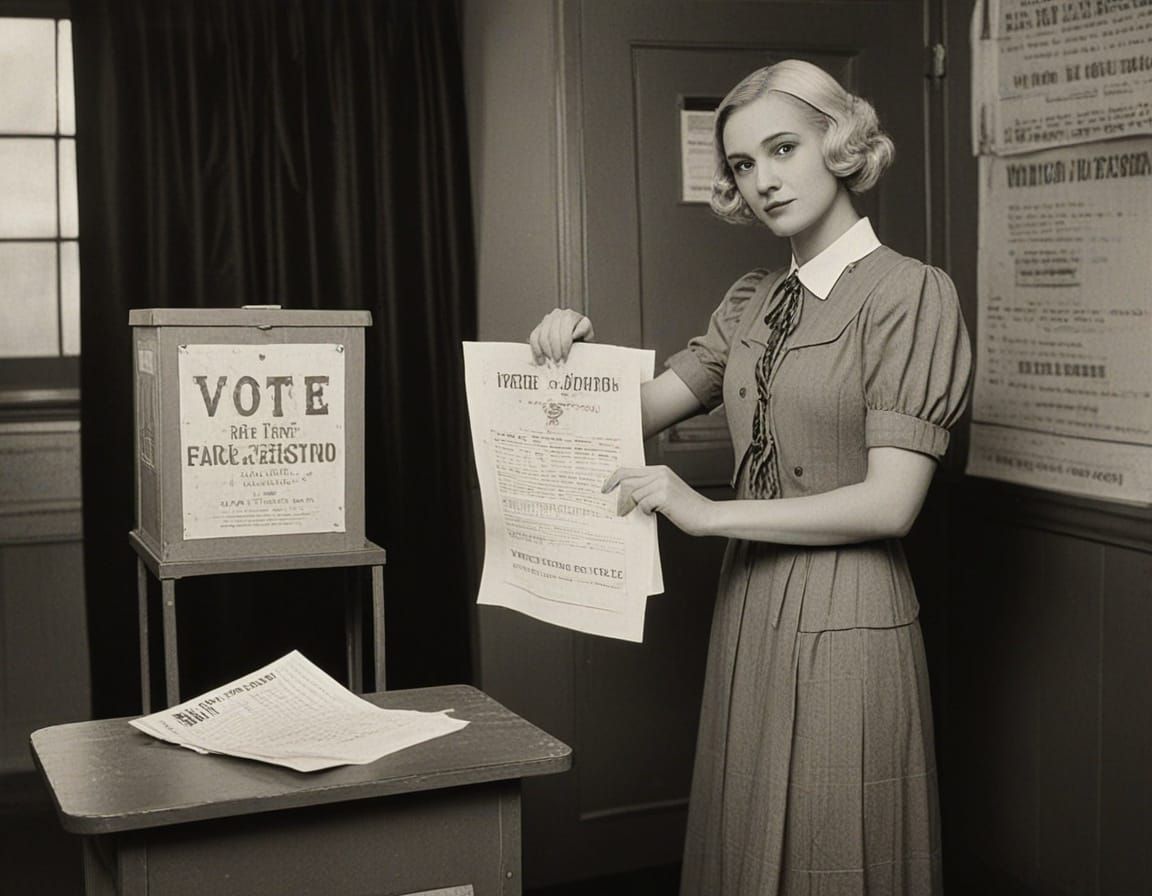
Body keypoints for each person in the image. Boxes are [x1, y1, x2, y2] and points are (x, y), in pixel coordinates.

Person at [529, 59, 971, 895]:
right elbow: (629, 412)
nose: (763, 181)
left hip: (851, 616)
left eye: (782, 149)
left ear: (837, 146)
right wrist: (565, 358)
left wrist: (706, 515)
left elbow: (892, 503)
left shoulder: (912, 294)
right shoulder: (752, 301)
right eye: (741, 164)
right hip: (751, 608)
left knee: (838, 853)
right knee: (747, 845)